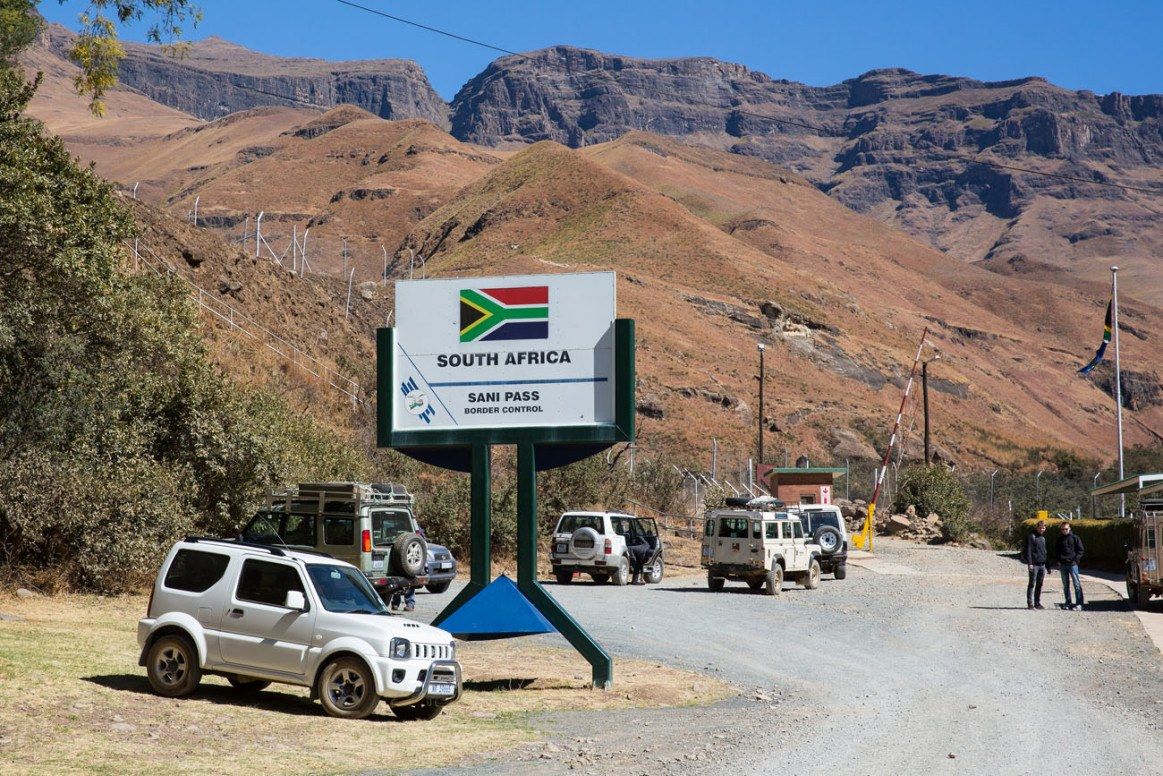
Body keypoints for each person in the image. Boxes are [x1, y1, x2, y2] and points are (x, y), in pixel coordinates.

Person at [1054, 521, 1085, 610]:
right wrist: (1058, 560)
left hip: (1072, 565)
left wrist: (1076, 560)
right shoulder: (1059, 539)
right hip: (1063, 565)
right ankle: (1068, 602)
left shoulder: (1075, 538)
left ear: (1069, 528)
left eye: (1066, 529)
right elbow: (1056, 551)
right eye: (1062, 529)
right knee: (1065, 585)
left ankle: (1079, 603)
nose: (1064, 531)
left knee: (1077, 584)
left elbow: (1080, 550)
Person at [1020, 520, 1049, 610]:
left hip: (1042, 565)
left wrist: (1048, 566)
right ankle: (1030, 603)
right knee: (1032, 584)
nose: (1042, 529)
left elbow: (1045, 553)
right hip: (1034, 565)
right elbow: (1028, 550)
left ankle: (1037, 603)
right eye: (1040, 528)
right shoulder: (1032, 536)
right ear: (1037, 527)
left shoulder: (1043, 538)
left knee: (1039, 584)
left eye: (1043, 528)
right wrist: (1030, 563)